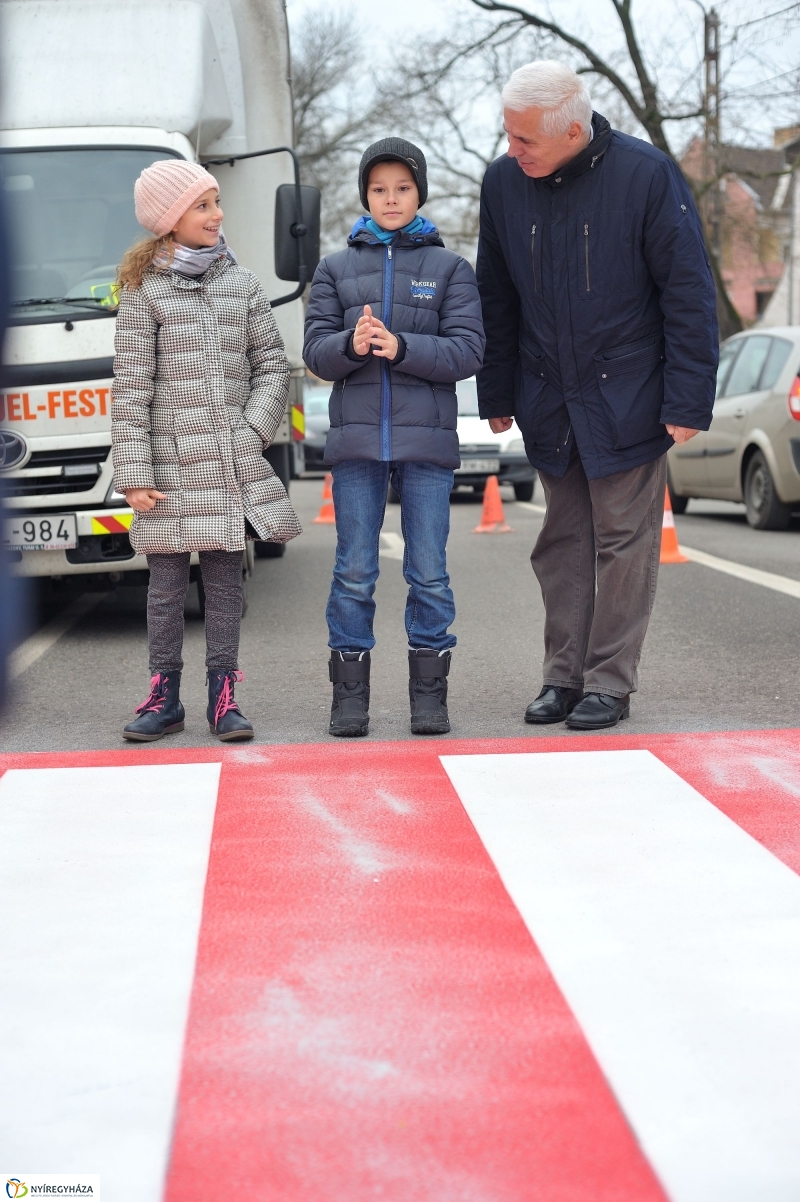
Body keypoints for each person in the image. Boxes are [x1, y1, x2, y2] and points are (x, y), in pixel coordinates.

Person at [477, 62, 718, 730]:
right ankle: (562, 677)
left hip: (631, 392)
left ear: (575, 129)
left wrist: (688, 397)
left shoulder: (647, 175)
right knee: (562, 540)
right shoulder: (503, 183)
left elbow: (688, 292)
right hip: (548, 395)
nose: (512, 150)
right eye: (509, 135)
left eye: (526, 140)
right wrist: (495, 387)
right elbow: (494, 292)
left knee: (624, 540)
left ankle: (608, 682)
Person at [112, 159, 300, 743]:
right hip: (168, 469)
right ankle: (163, 696)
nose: (218, 214)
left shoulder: (241, 284)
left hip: (226, 465)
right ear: (171, 219)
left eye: (217, 203)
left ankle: (224, 697)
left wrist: (249, 434)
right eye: (203, 205)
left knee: (224, 583)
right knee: (165, 587)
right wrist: (134, 472)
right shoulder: (144, 290)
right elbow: (132, 384)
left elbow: (273, 367)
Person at [303, 139, 485, 738]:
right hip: (357, 448)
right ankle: (347, 701)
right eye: (379, 189)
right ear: (365, 195)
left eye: (402, 188)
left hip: (427, 446)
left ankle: (429, 699)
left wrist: (401, 347)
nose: (390, 198)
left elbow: (467, 351)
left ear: (419, 193)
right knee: (354, 570)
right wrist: (349, 346)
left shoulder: (451, 269)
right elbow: (314, 354)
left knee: (428, 571)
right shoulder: (333, 269)